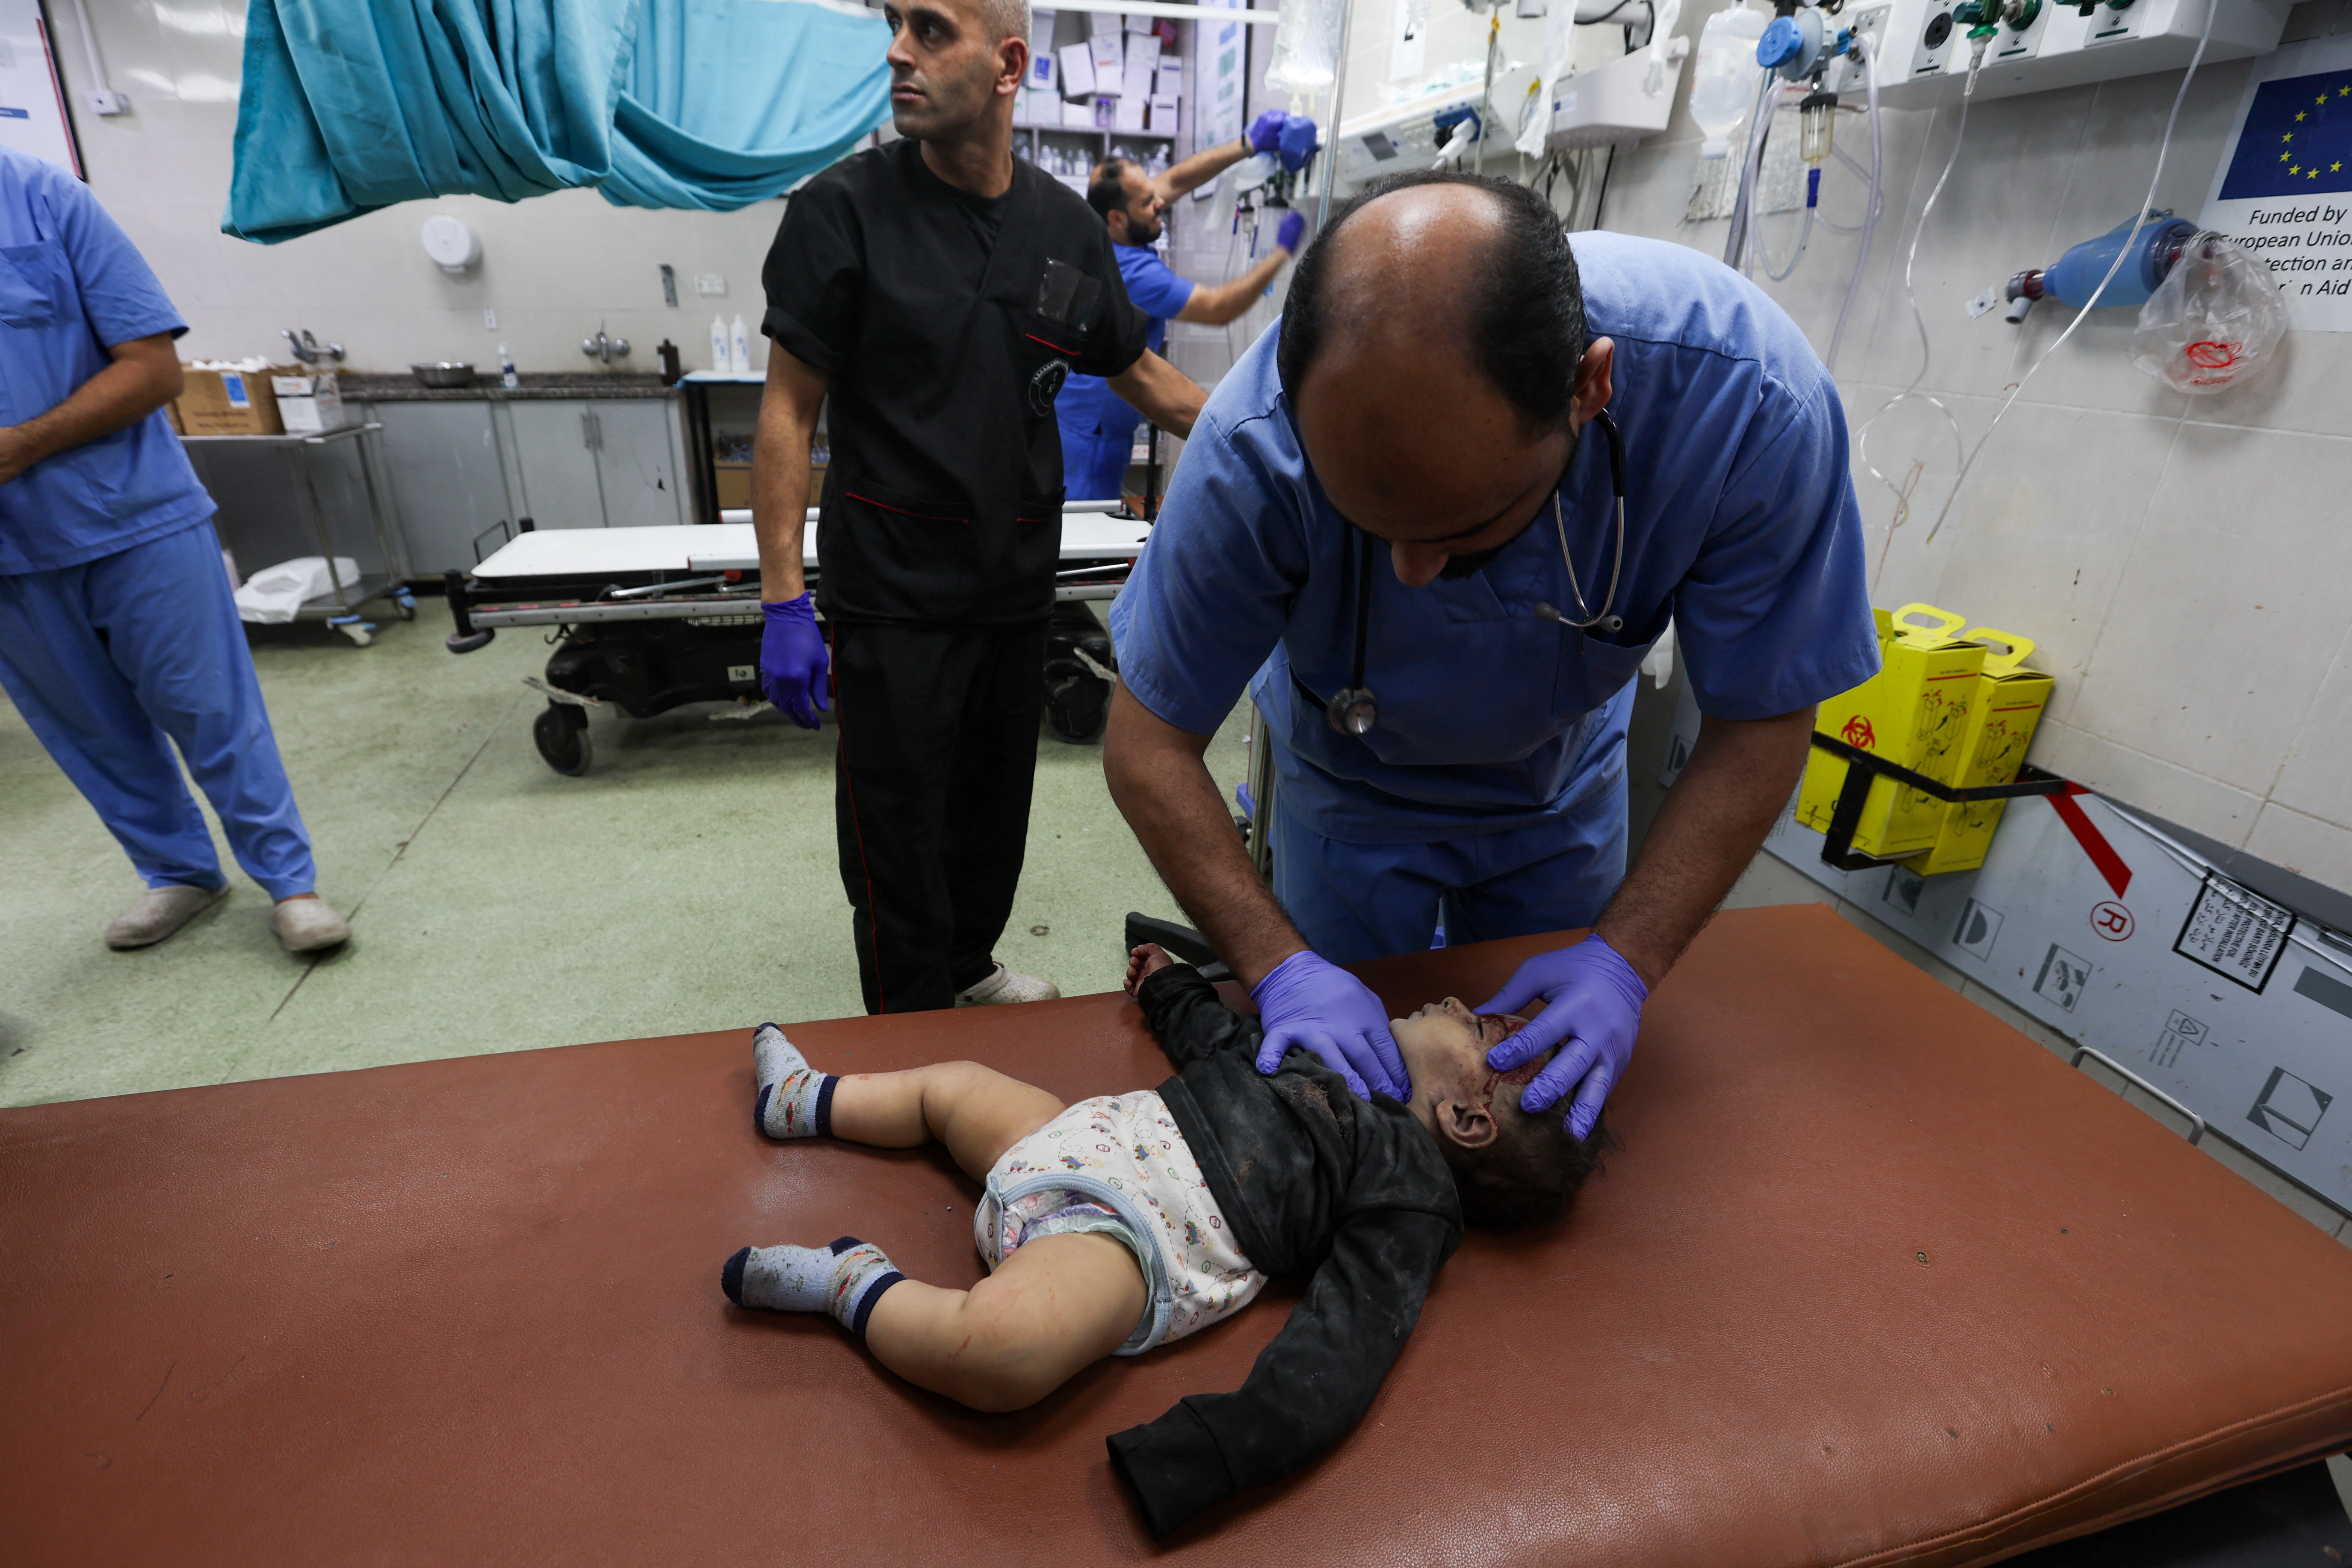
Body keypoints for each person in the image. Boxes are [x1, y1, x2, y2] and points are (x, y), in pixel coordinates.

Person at [1103, 170, 1878, 1140]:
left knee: (1533, 1091)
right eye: (1367, 526)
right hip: (1351, 779)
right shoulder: (1252, 447)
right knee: (1350, 1107)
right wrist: (1276, 966)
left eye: (1462, 530)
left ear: (1587, 390)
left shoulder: (1745, 402)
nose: (1412, 571)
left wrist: (1623, 961)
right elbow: (1147, 742)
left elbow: (1760, 719)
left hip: (1559, 784)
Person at [720, 942, 1608, 1536]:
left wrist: (1202, 1458)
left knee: (1002, 1352)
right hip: (1076, 1133)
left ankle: (851, 1285)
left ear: (1466, 1119)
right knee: (952, 1088)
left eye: (1486, 1029)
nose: (1465, 998)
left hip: (1126, 1239)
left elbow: (1337, 1356)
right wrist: (1171, 988)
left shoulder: (1406, 1188)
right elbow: (1226, 1041)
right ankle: (803, 1098)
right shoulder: (1331, 1046)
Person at [751, 0, 1205, 1014]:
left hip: (1011, 591)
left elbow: (1147, 380)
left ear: (1005, 65)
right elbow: (787, 411)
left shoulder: (1061, 231)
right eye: (894, 26)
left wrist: (1291, 436)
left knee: (991, 818)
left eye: (926, 30)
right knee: (895, 834)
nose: (895, 52)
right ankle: (910, 1030)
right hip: (893, 598)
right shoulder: (843, 212)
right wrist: (784, 600)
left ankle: (967, 967)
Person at [0, 147, 350, 956]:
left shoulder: (42, 198)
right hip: (13, 558)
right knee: (92, 731)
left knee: (210, 709)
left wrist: (22, 445)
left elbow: (154, 371)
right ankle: (178, 874)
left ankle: (290, 883)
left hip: (132, 515)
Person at [1055, 109, 1316, 502]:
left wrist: (1246, 145)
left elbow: (1176, 179)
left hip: (1090, 417)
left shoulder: (1110, 226)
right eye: (1148, 202)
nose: (1160, 200)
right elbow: (1216, 309)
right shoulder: (1128, 271)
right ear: (1118, 218)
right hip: (1091, 431)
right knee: (1084, 533)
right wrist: (1281, 252)